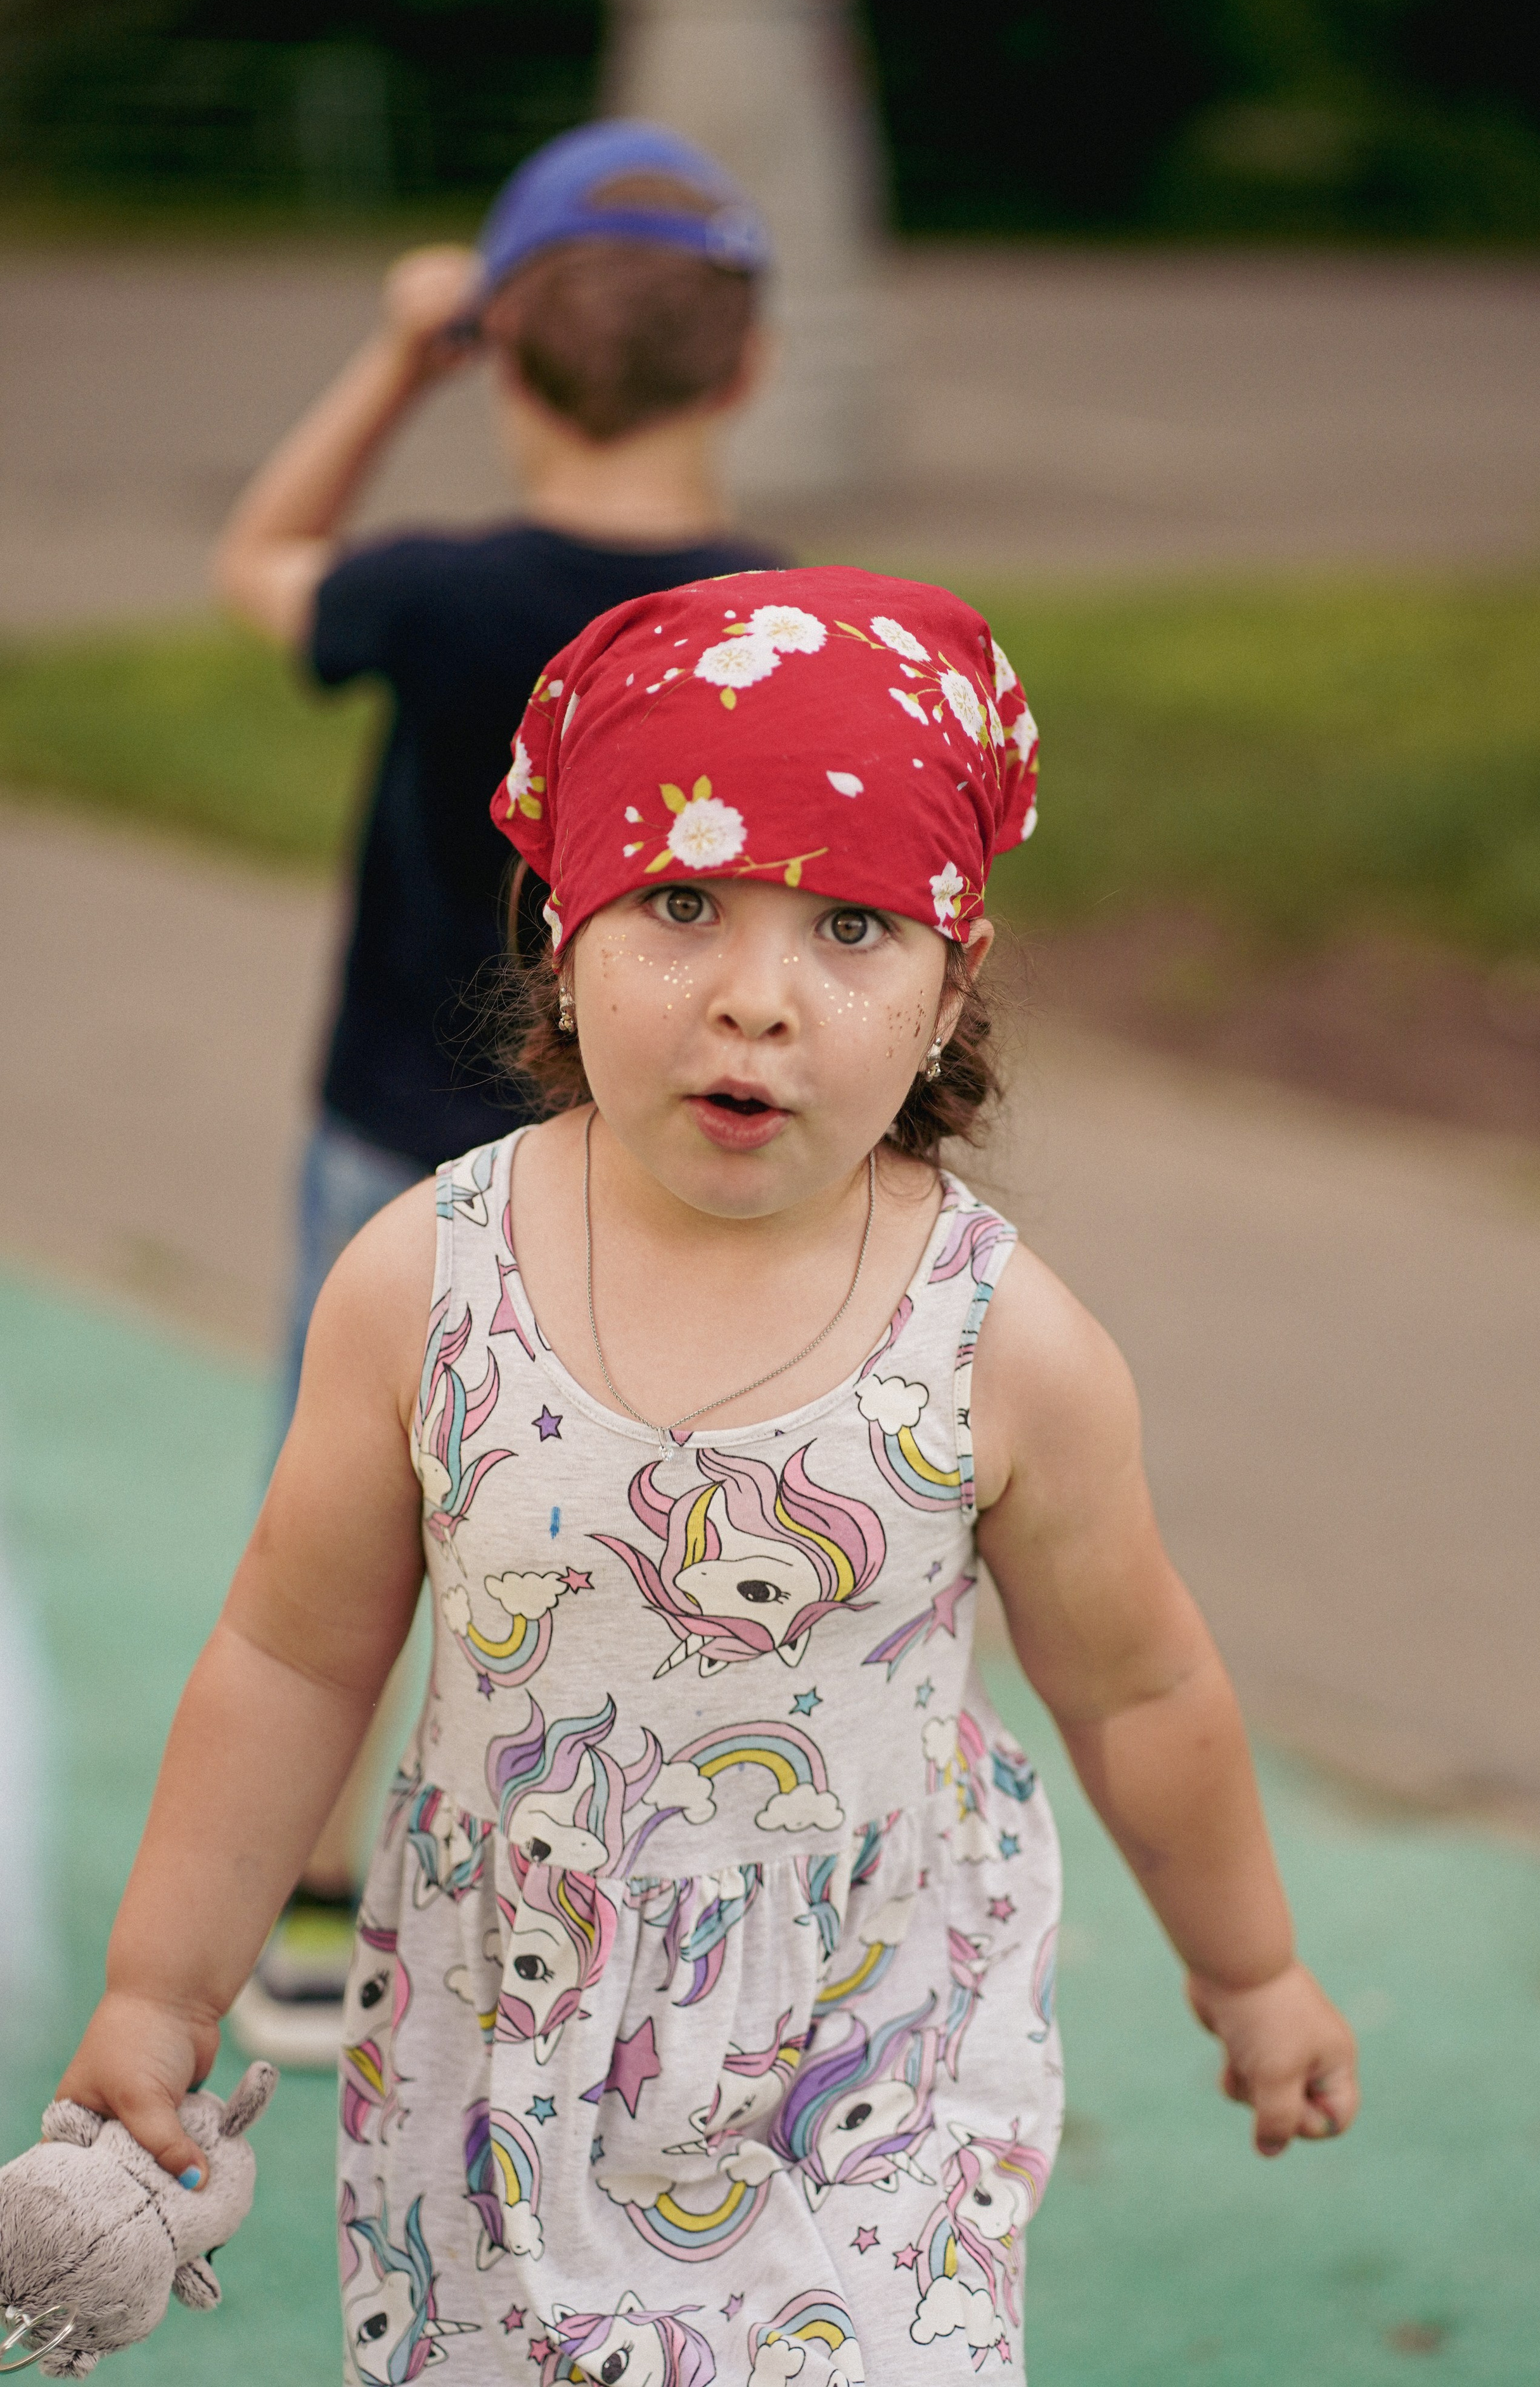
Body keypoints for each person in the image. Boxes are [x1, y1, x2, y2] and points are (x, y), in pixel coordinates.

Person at [58, 566, 1358, 2384]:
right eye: (681, 905)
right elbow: (292, 1660)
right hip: (499, 2044)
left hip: (864, 2062)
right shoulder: (428, 1285)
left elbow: (1140, 1684)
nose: (757, 1000)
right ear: (560, 930)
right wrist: (158, 1990)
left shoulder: (1000, 1343)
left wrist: (1253, 1970)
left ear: (951, 982)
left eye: (851, 931)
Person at [212, 118, 785, 2058]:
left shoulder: (436, 592)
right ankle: (634, 1921)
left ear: (504, 353)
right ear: (751, 364)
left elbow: (259, 563)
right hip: (660, 1163)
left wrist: (393, 354)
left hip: (395, 1139)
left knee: (344, 1524)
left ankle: (306, 1928)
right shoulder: (774, 620)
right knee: (657, 1514)